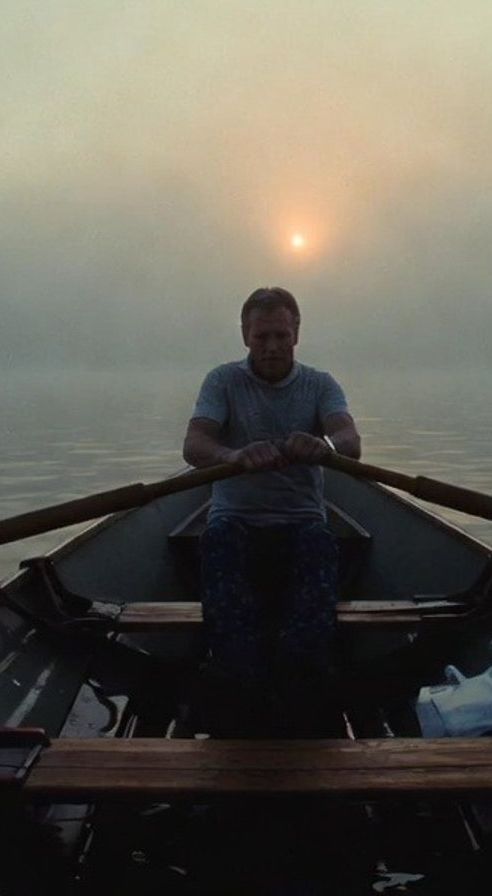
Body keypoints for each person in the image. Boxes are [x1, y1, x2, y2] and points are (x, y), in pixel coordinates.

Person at [182, 286, 362, 701]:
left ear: (296, 332)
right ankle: (236, 669)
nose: (272, 347)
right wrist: (233, 456)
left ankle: (301, 669)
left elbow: (349, 441)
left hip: (302, 522)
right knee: (218, 542)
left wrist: (324, 446)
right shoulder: (223, 381)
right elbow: (195, 445)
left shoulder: (320, 385)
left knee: (320, 545)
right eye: (261, 337)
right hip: (234, 521)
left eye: (281, 336)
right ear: (245, 335)